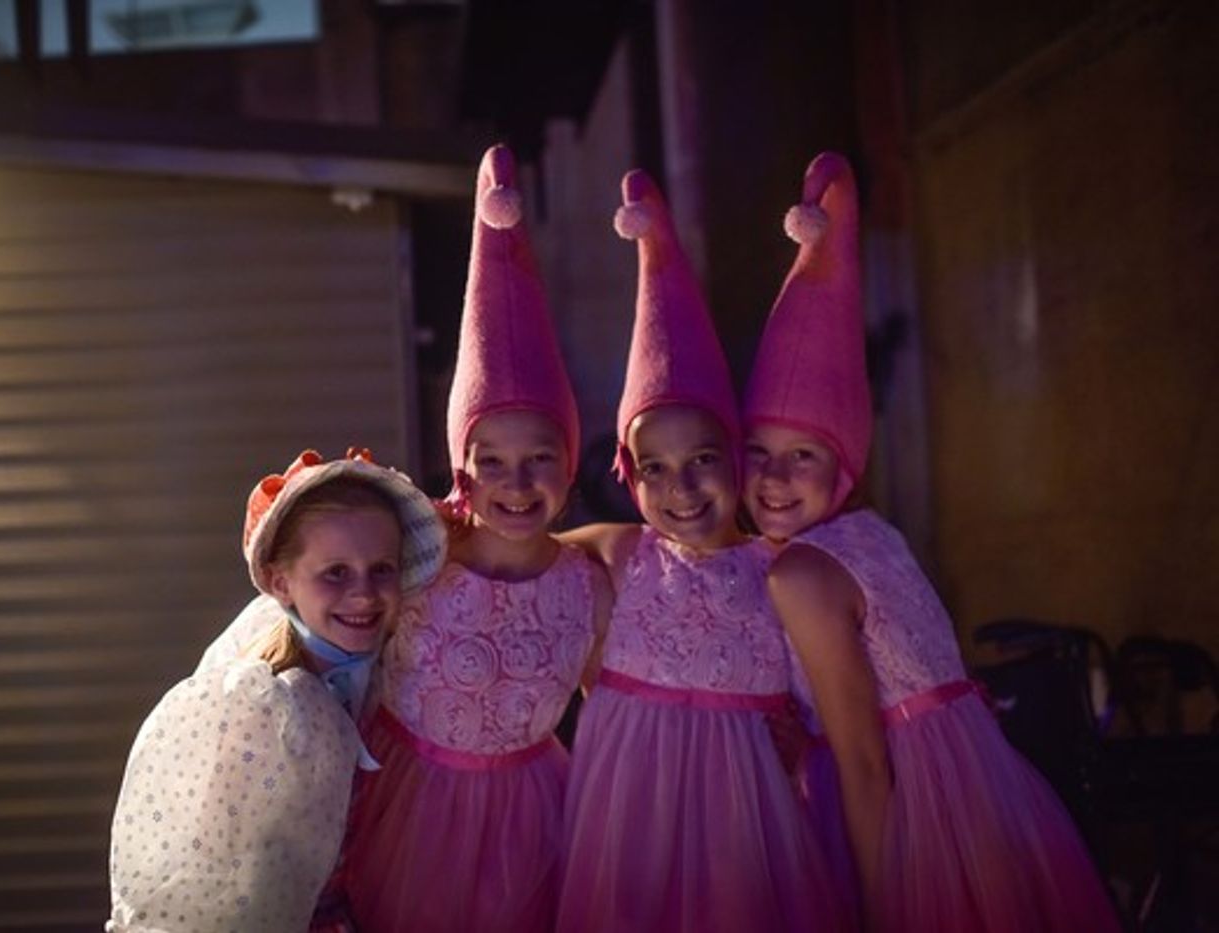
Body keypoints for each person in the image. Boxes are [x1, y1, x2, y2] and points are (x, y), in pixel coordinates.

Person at [743, 150, 1120, 932]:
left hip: (912, 822)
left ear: (843, 468)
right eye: (757, 451)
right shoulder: (873, 533)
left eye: (803, 455)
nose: (774, 477)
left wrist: (883, 905)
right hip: (986, 792)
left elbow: (864, 762)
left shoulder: (802, 574)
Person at [554, 169, 847, 933]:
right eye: (653, 467)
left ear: (738, 454)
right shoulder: (618, 557)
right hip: (629, 845)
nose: (679, 486)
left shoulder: (783, 573)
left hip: (750, 847)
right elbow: (512, 557)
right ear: (627, 474)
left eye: (703, 459)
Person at [344, 143, 610, 933]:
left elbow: (609, 714)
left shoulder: (586, 583)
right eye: (490, 460)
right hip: (405, 802)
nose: (516, 483)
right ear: (461, 465)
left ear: (570, 460)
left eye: (540, 459)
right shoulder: (422, 556)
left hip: (538, 818)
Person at [106, 449, 446, 933]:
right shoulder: (261, 706)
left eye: (382, 569)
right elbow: (216, 877)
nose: (365, 593)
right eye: (336, 573)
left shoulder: (367, 655)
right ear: (279, 582)